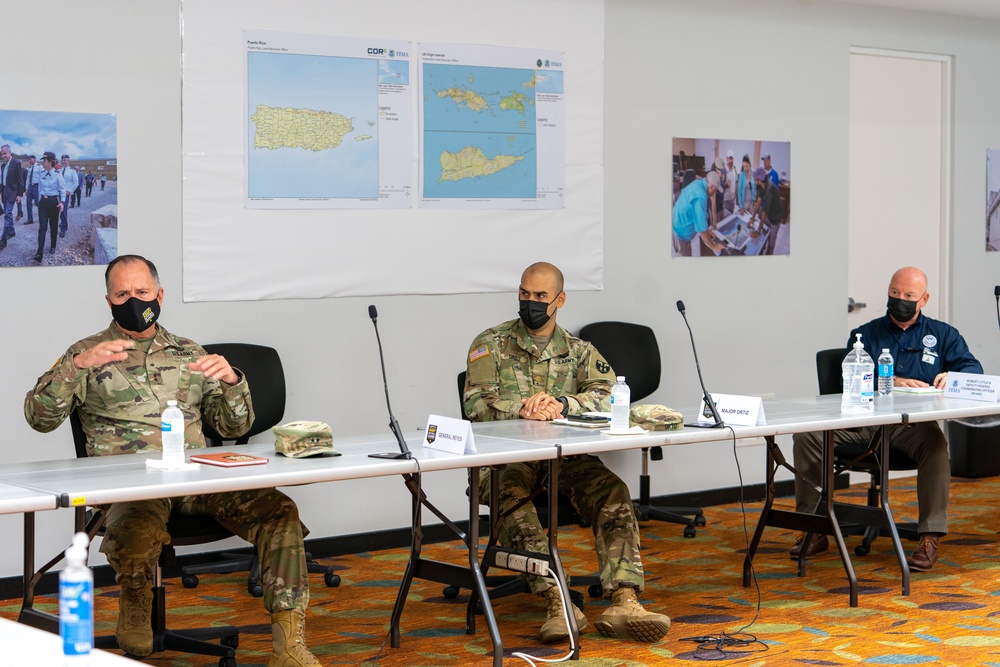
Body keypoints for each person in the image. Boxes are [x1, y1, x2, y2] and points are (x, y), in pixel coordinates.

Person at [24, 255, 321, 666]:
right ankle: (135, 604)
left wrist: (233, 382)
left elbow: (233, 427)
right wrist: (74, 369)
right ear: (108, 300)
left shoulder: (188, 352)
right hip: (131, 484)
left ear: (159, 295)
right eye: (122, 294)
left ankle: (288, 643)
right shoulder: (87, 353)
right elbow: (39, 419)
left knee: (279, 512)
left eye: (142, 293)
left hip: (196, 479)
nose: (133, 301)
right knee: (135, 526)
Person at [464, 262, 671, 645]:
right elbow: (475, 404)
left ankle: (625, 599)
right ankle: (557, 602)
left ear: (560, 300)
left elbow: (609, 395)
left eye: (540, 296)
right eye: (525, 294)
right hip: (506, 462)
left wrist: (562, 403)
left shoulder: (578, 351)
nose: (531, 302)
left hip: (567, 461)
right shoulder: (490, 343)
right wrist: (524, 407)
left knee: (613, 491)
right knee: (510, 496)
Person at [791, 267, 982, 572]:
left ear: (924, 299)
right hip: (864, 422)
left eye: (908, 296)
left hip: (912, 427)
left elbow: (974, 370)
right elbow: (848, 383)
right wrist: (894, 381)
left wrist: (954, 376)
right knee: (808, 436)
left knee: (936, 447)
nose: (900, 300)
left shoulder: (944, 335)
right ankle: (813, 528)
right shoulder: (865, 334)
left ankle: (929, 536)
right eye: (895, 293)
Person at [672, 173, 726, 256]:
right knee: (685, 256)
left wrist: (708, 231)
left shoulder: (698, 183)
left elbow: (700, 215)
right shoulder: (701, 195)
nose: (716, 193)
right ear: (711, 187)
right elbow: (701, 228)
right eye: (716, 191)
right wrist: (713, 246)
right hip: (681, 231)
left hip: (679, 221)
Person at [32, 152, 66, 262]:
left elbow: (62, 189)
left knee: (53, 225)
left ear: (50, 162)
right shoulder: (41, 173)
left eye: (44, 160)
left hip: (53, 201)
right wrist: (38, 200)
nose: (43, 162)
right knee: (42, 227)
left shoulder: (57, 174)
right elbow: (39, 188)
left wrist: (62, 202)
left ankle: (53, 245)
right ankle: (39, 253)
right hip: (43, 202)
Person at [750, 167, 782, 254]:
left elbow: (763, 214)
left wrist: (758, 231)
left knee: (771, 242)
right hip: (769, 213)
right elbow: (758, 202)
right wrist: (753, 218)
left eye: (755, 178)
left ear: (759, 179)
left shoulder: (770, 189)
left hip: (775, 217)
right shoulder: (761, 185)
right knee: (764, 237)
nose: (754, 180)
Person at [0, 145, 25, 247]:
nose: (3, 155)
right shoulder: (2, 166)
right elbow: (2, 181)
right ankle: (12, 231)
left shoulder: (16, 163)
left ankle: (3, 239)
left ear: (10, 153)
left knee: (7, 214)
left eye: (5, 153)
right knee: (8, 214)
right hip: (4, 192)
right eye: (2, 154)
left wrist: (19, 194)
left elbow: (20, 181)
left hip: (12, 193)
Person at [23, 155, 42, 226]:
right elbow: (28, 179)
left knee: (38, 203)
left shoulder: (40, 167)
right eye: (29, 160)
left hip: (37, 186)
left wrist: (41, 189)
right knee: (28, 203)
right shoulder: (30, 168)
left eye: (30, 159)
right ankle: (30, 219)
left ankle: (42, 218)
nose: (29, 161)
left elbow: (41, 178)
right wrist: (26, 188)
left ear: (34, 159)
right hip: (30, 186)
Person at [723, 150, 738, 215]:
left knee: (732, 216)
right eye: (729, 158)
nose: (730, 161)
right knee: (726, 217)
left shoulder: (734, 169)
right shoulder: (724, 170)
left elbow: (736, 182)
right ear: (726, 159)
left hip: (733, 199)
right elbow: (720, 186)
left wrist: (735, 193)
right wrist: (726, 186)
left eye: (731, 158)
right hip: (726, 200)